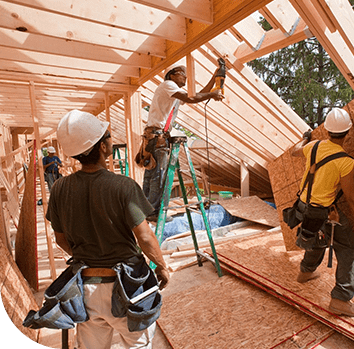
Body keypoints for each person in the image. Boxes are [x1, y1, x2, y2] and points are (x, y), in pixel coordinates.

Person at [45, 110, 170, 349]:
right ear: (103, 147)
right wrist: (162, 267)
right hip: (126, 286)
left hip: (85, 288)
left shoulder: (60, 189)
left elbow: (61, 240)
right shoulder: (123, 186)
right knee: (138, 345)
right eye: (109, 137)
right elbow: (145, 237)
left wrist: (90, 255)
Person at [291, 108, 354, 318]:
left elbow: (293, 152)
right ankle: (340, 300)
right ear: (348, 132)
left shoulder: (313, 146)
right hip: (323, 210)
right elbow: (351, 199)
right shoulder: (345, 161)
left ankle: (305, 272)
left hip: (304, 207)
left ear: (326, 130)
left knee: (315, 234)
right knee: (348, 247)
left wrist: (305, 139)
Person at [140, 65, 224, 221]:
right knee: (158, 175)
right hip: (157, 137)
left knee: (152, 174)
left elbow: (197, 95)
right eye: (183, 75)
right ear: (172, 75)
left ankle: (144, 210)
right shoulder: (168, 86)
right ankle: (152, 212)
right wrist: (212, 95)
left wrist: (214, 77)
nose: (186, 78)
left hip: (154, 136)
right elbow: (192, 99)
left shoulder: (173, 93)